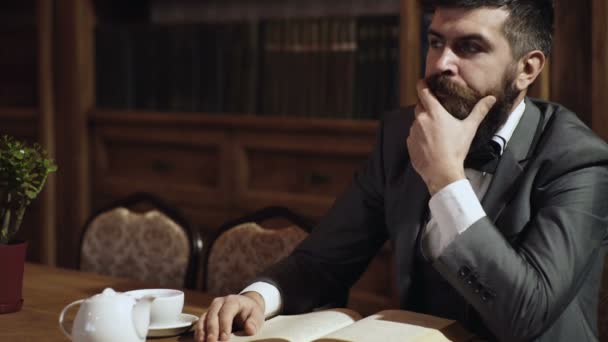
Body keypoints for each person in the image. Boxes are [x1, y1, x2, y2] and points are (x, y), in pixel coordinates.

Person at [196, 0, 608, 341]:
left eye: (469, 47)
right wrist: (257, 298)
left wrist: (445, 178)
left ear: (527, 69)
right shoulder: (399, 134)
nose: (442, 63)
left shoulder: (579, 159)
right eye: (435, 42)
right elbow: (323, 260)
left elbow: (526, 317)